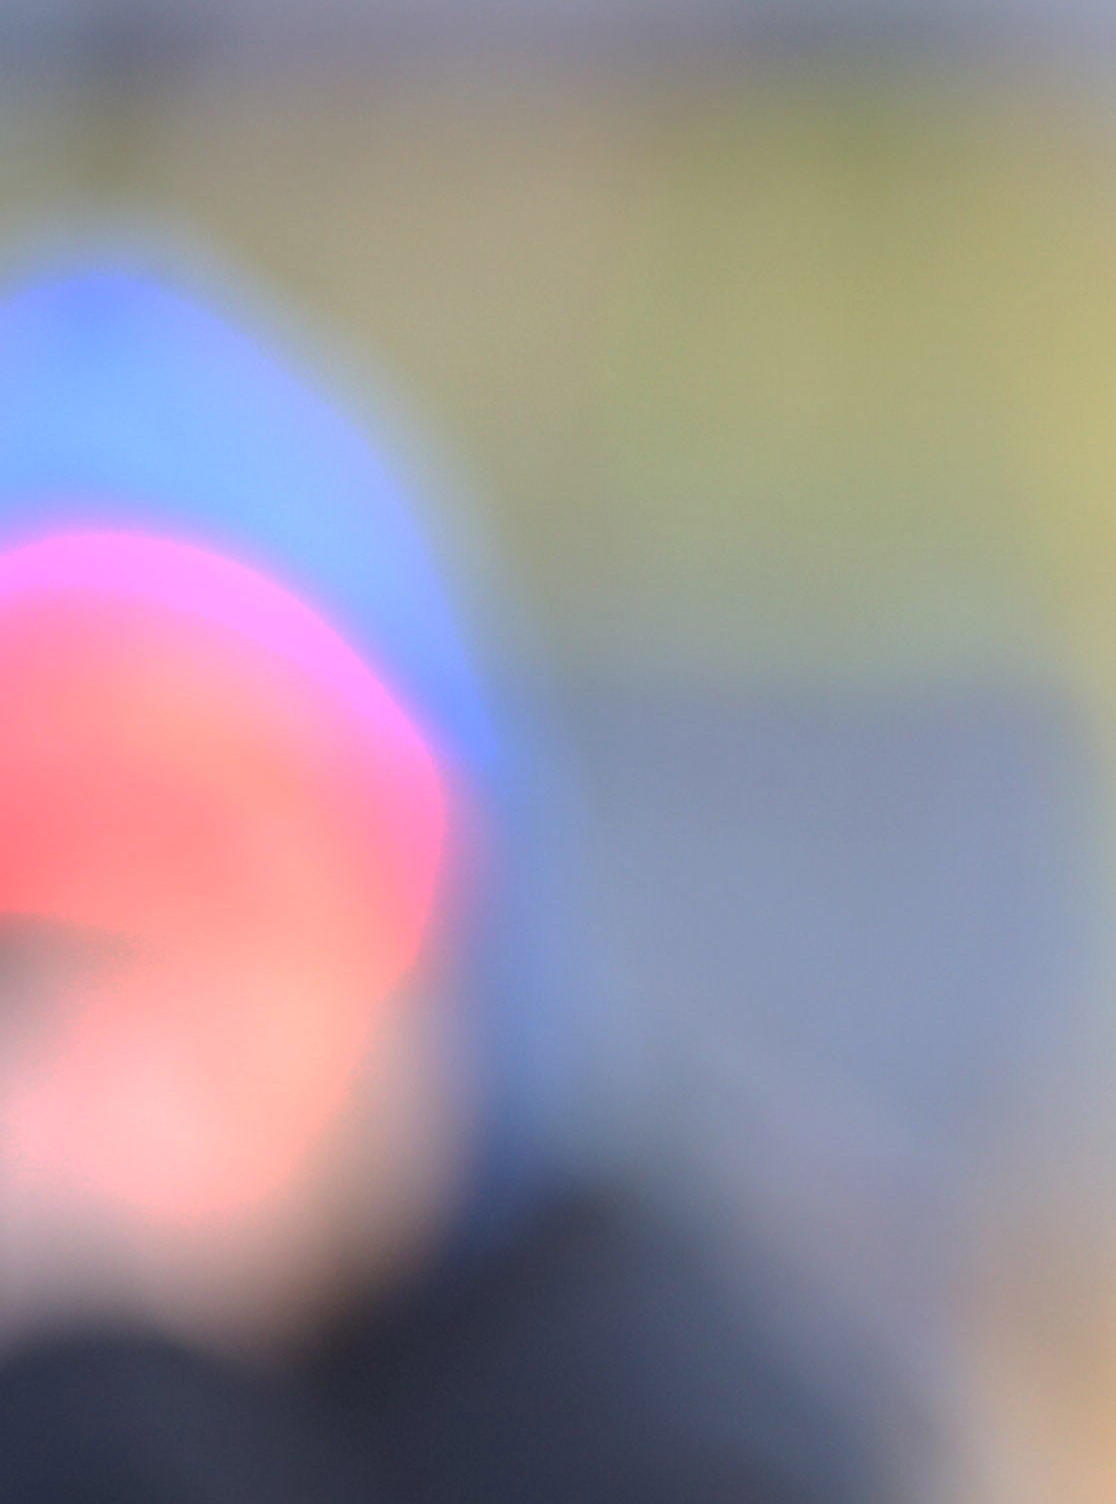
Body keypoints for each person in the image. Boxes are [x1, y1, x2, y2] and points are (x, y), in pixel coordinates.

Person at [0, 256, 886, 1504]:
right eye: (32, 918)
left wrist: (98, 1377)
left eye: (232, 876)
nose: (121, 1024)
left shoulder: (658, 1421)